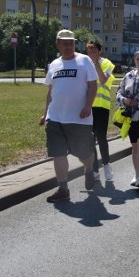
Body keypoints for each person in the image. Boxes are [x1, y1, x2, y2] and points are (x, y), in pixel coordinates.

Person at [39, 29, 98, 203]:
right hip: (55, 118)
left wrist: (88, 106)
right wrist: (45, 115)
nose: (68, 46)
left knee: (82, 153)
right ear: (57, 44)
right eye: (64, 43)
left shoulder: (84, 61)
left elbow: (93, 86)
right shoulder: (54, 64)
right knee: (58, 153)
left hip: (79, 118)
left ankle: (89, 169)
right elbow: (51, 92)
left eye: (71, 42)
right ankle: (63, 188)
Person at [115, 50, 139, 188]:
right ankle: (136, 174)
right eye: (137, 59)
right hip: (131, 117)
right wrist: (125, 100)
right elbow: (118, 93)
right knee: (135, 147)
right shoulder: (128, 76)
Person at [86, 40, 115, 182]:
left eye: (93, 50)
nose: (91, 53)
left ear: (99, 51)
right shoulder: (84, 63)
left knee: (101, 137)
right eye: (89, 50)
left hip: (102, 106)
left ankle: (106, 166)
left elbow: (103, 80)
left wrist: (96, 62)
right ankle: (95, 170)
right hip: (88, 106)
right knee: (90, 139)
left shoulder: (106, 63)